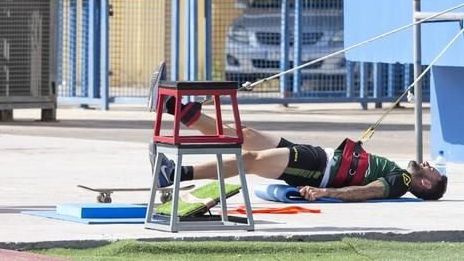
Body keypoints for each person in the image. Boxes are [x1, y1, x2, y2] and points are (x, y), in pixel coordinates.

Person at [146, 64, 447, 202]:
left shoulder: (401, 181)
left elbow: (365, 192)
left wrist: (325, 192)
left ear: (424, 183)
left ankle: (175, 175)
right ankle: (174, 107)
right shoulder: (400, 175)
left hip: (316, 170)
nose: (430, 166)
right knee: (247, 134)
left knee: (249, 159)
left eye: (433, 173)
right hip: (317, 157)